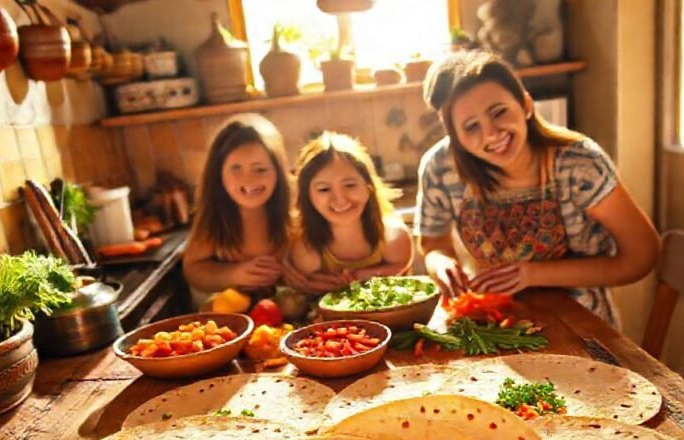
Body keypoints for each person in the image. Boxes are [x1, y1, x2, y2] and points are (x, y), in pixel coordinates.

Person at [415, 51, 659, 326]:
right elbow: (433, 243)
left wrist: (532, 274)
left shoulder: (579, 164)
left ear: (526, 105)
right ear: (455, 136)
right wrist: (442, 265)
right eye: (471, 127)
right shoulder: (440, 167)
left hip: (585, 327)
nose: (491, 133)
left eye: (499, 112)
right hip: (490, 326)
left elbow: (641, 257)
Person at [288, 131, 413, 292]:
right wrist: (328, 284)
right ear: (307, 197)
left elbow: (401, 265)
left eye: (350, 185)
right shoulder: (306, 250)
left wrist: (368, 274)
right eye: (324, 189)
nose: (340, 199)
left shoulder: (393, 237)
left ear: (369, 186)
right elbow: (305, 284)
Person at [183, 114, 292, 296]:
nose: (248, 179)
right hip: (235, 312)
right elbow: (193, 270)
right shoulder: (214, 217)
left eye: (260, 169)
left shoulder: (296, 207)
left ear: (278, 171)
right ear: (218, 173)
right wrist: (233, 274)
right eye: (236, 168)